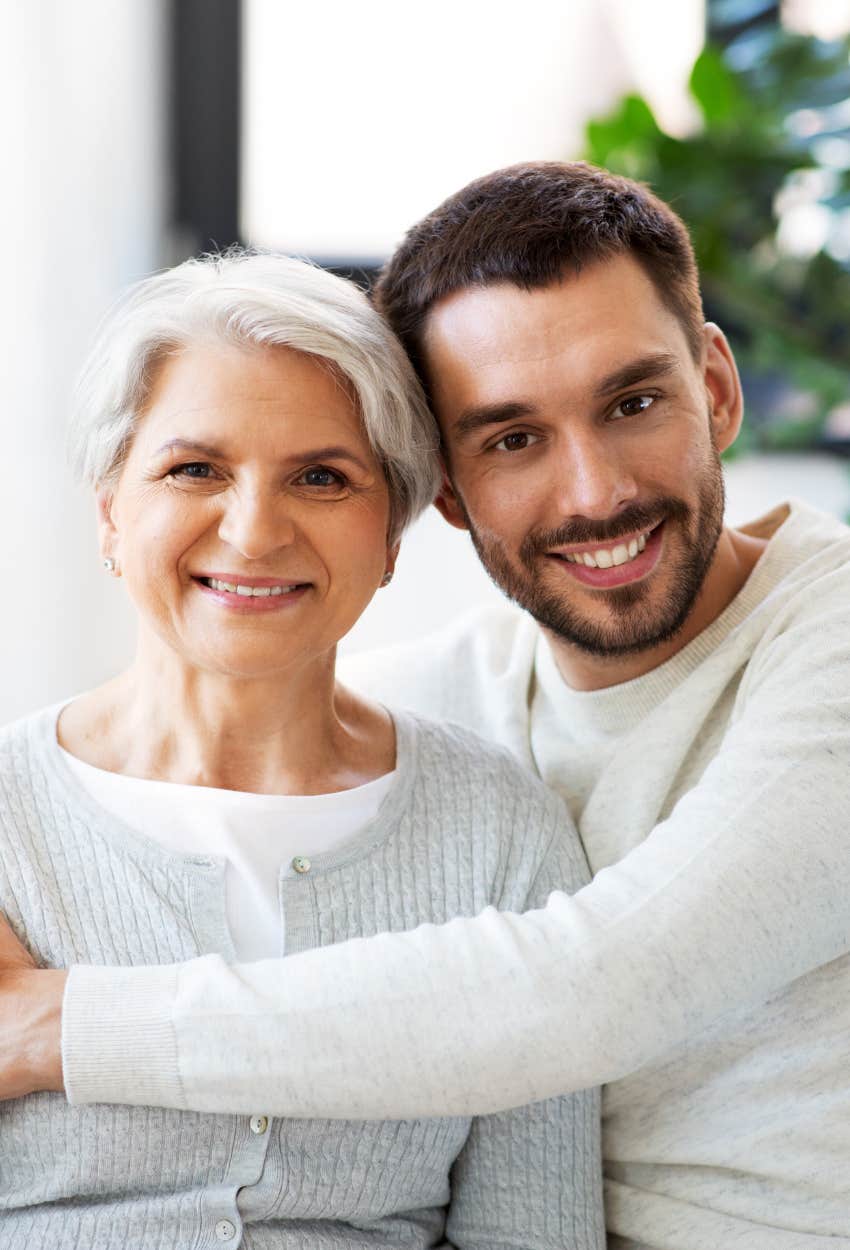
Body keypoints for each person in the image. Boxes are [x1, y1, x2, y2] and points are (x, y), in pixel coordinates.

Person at [3, 161, 850, 1247]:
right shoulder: (446, 702)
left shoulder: (812, 646)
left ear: (717, 389)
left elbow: (596, 987)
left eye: (632, 402)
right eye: (512, 438)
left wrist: (54, 1023)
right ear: (444, 491)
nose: (592, 492)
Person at [0, 250, 605, 1248]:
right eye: (195, 467)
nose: (252, 528)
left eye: (322, 477)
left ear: (393, 538)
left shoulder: (501, 835)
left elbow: (534, 1226)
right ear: (112, 508)